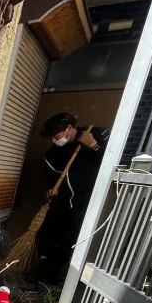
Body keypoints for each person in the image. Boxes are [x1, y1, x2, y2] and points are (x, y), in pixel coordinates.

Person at [38, 113, 110, 282]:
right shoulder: (53, 154)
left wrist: (93, 145)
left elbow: (115, 163)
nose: (54, 140)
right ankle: (47, 278)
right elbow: (51, 181)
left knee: (74, 242)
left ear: (69, 128)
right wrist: (50, 191)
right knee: (50, 239)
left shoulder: (98, 134)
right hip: (64, 206)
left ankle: (77, 283)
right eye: (51, 138)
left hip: (90, 205)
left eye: (57, 136)